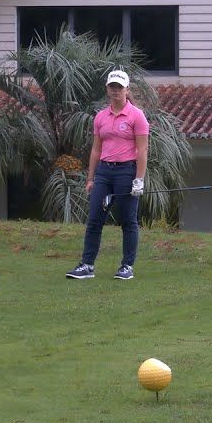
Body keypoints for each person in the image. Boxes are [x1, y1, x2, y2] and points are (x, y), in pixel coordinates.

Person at [65, 69, 149, 281]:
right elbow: (95, 149)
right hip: (104, 172)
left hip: (126, 172)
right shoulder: (101, 117)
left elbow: (142, 151)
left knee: (128, 220)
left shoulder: (136, 116)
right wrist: (91, 178)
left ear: (127, 89)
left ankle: (127, 266)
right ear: (107, 89)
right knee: (94, 219)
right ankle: (87, 265)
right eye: (112, 87)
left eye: (119, 87)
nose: (115, 91)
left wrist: (139, 179)